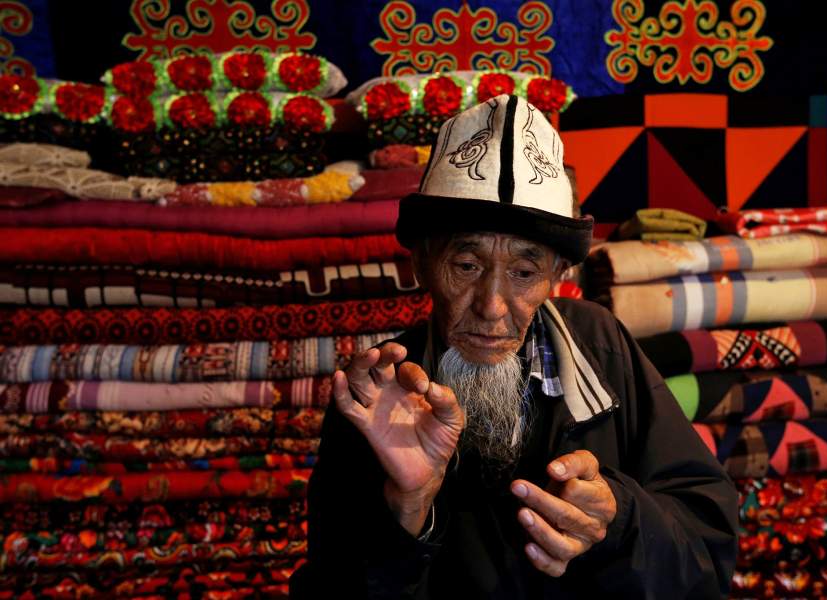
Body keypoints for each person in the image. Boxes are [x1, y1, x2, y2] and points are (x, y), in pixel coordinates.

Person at [290, 95, 738, 599]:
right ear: (421, 264)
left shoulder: (601, 347)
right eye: (466, 266)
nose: (492, 306)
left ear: (556, 276)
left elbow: (709, 553)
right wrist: (406, 508)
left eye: (524, 273)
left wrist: (619, 520)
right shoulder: (377, 397)